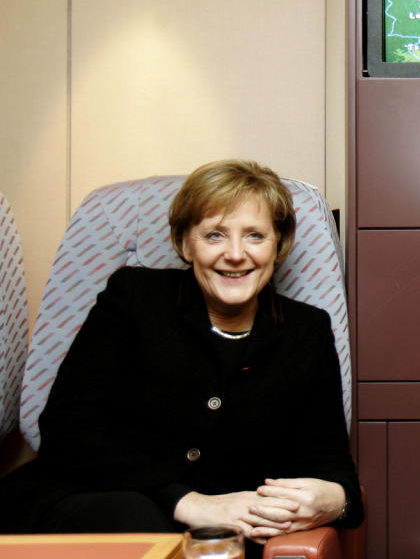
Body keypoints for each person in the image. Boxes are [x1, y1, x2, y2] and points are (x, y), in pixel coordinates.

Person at [0, 160, 363, 553]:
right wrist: (186, 502)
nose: (236, 254)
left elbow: (328, 463)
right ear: (184, 243)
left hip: (231, 538)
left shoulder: (306, 331)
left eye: (255, 235)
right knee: (134, 519)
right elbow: (67, 430)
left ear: (279, 246)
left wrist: (337, 500)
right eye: (215, 235)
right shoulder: (133, 297)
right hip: (90, 504)